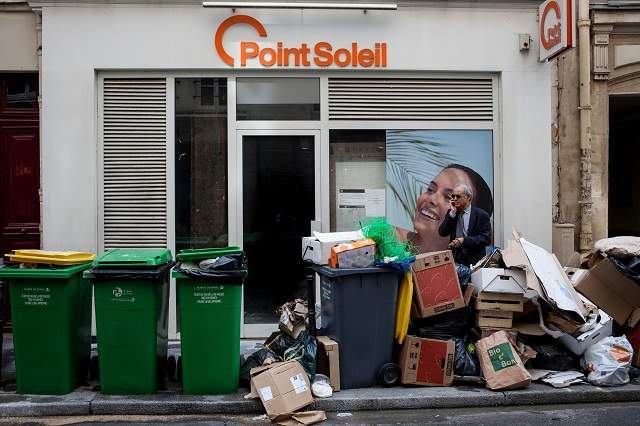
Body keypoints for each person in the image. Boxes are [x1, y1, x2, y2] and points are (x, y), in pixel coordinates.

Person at [400, 164, 493, 254]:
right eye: (430, 189)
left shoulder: (466, 268)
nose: (431, 199)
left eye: (449, 197)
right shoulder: (388, 239)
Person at [438, 183, 492, 266]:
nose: (455, 199)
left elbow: (486, 238)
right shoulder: (452, 213)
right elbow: (442, 232)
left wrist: (464, 240)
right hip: (456, 259)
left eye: (458, 196)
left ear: (468, 197)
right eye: (453, 196)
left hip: (474, 261)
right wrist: (452, 214)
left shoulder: (482, 215)